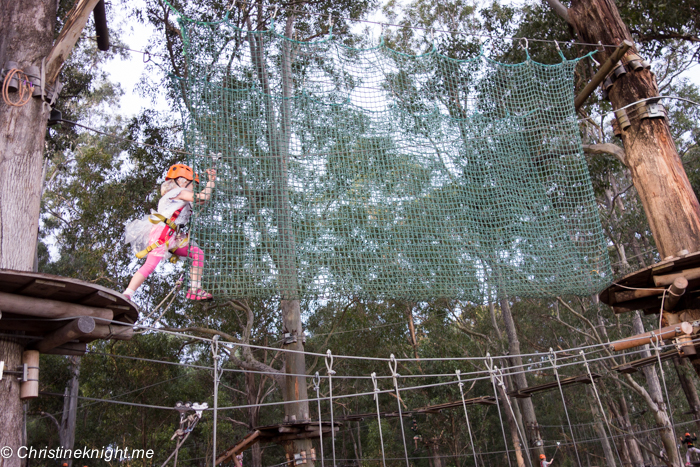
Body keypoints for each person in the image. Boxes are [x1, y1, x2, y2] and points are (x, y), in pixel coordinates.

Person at [123, 164, 216, 301]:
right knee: (150, 265)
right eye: (192, 184)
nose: (194, 188)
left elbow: (200, 201)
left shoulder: (182, 195)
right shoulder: (177, 192)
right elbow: (202, 197)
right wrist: (211, 182)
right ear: (182, 181)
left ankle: (195, 289)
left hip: (173, 236)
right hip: (163, 233)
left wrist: (211, 181)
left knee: (197, 253)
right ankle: (128, 293)